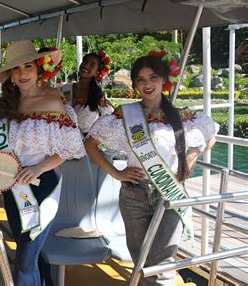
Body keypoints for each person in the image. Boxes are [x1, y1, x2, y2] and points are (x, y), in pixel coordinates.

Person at [85, 53, 218, 285]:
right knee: (140, 260)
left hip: (171, 194)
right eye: (140, 79)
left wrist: (192, 155)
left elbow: (210, 135)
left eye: (153, 77)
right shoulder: (124, 117)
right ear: (135, 84)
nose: (147, 84)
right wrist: (117, 173)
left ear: (164, 79)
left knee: (164, 261)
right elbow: (91, 144)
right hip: (133, 194)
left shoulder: (183, 116)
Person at [0, 40, 85, 285]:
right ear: (10, 76)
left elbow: (70, 148)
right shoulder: (1, 105)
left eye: (27, 66)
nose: (22, 74)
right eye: (16, 70)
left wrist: (38, 167)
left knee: (25, 260)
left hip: (42, 185)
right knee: (31, 257)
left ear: (38, 69)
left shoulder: (52, 102)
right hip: (11, 188)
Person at [72, 52, 113, 137]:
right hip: (65, 143)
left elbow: (110, 120)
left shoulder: (97, 95)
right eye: (85, 62)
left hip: (87, 144)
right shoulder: (65, 90)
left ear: (97, 73)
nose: (86, 66)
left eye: (92, 65)